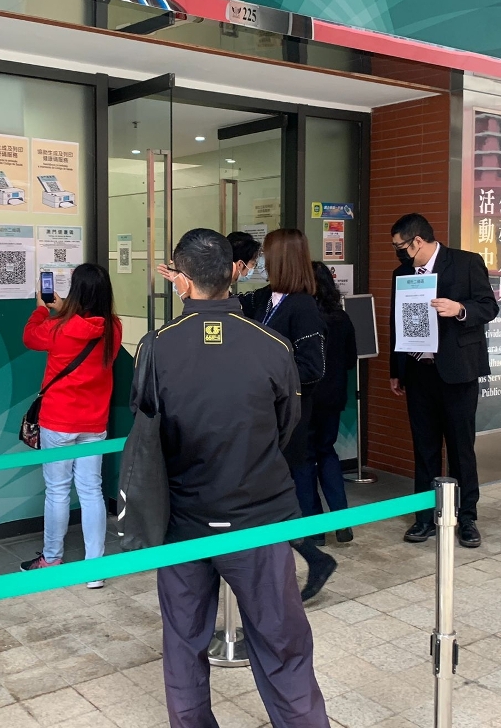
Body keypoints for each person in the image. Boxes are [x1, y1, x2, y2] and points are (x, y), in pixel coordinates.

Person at [133, 228, 330, 728]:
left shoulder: (156, 347)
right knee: (283, 644)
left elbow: (149, 429)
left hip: (183, 522)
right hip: (259, 518)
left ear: (181, 280)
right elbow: (285, 426)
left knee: (183, 645)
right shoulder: (272, 344)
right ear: (234, 273)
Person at [389, 214, 498, 549]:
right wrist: (396, 369)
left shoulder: (465, 263)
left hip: (457, 372)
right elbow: (396, 321)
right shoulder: (402, 273)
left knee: (461, 448)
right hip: (418, 371)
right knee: (424, 449)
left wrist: (459, 309)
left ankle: (467, 518)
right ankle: (425, 517)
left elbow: (489, 307)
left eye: (401, 246)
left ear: (418, 241)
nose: (398, 253)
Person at [238, 229, 335, 599]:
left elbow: (313, 367)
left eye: (266, 255)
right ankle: (308, 558)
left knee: (276, 494)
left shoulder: (303, 306)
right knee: (268, 496)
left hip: (288, 418)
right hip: (262, 415)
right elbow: (227, 309)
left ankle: (308, 558)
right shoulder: (264, 298)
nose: (261, 262)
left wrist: (267, 372)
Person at [21, 263, 123, 587]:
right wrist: (63, 308)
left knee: (57, 490)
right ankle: (94, 570)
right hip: (94, 422)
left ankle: (52, 559)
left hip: (59, 421)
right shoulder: (114, 327)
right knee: (92, 490)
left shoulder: (60, 328)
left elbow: (29, 336)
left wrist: (42, 308)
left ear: (76, 291)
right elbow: (89, 323)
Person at [297, 262, 358, 546]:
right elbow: (349, 360)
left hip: (306, 398)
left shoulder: (302, 317)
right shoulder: (341, 317)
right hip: (333, 398)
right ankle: (342, 522)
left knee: (305, 459)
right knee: (327, 452)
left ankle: (315, 531)